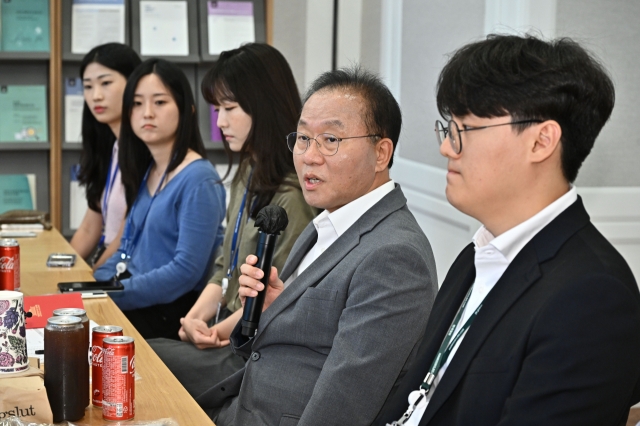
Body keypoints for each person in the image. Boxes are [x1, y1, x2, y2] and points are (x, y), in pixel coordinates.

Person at [377, 34, 640, 426]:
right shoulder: (478, 254)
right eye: (448, 127)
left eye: (464, 129)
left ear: (541, 141)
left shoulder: (593, 295)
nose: (447, 148)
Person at [196, 66, 438, 426]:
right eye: (304, 138)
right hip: (240, 405)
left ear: (381, 153)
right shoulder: (326, 220)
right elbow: (279, 349)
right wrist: (266, 313)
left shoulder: (395, 257)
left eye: (330, 140)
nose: (309, 156)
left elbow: (344, 405)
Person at [148, 43, 318, 398]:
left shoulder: (293, 196)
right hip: (223, 331)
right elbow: (225, 266)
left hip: (249, 349)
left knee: (145, 358)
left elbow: (272, 298)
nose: (220, 121)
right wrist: (193, 319)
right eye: (217, 109)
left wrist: (217, 333)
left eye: (230, 108)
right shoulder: (247, 172)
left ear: (263, 106)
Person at [94, 59, 226, 340]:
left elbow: (185, 272)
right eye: (138, 104)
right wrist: (95, 284)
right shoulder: (150, 171)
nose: (147, 113)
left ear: (186, 110)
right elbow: (125, 250)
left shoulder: (199, 178)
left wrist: (111, 295)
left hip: (168, 314)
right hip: (134, 301)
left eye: (160, 102)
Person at [71, 43, 141, 269]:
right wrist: (63, 270)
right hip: (108, 263)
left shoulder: (145, 150)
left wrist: (90, 277)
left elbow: (124, 236)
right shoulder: (110, 146)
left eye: (106, 83)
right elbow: (90, 227)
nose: (96, 96)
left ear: (133, 83)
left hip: (126, 269)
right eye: (88, 86)